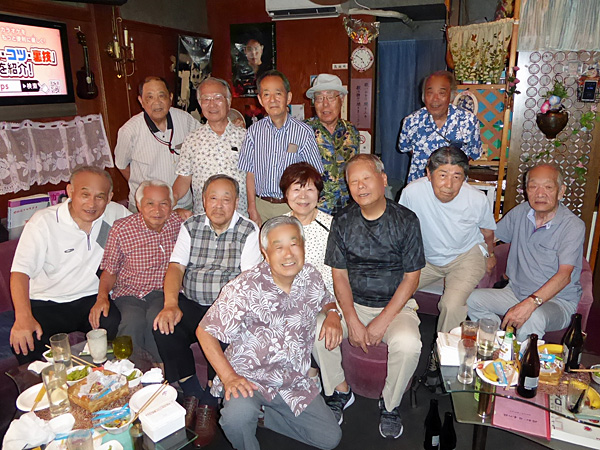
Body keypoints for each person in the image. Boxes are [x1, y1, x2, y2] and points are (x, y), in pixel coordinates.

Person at [197, 216, 343, 450]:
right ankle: (249, 425)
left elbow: (325, 297)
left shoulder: (311, 276)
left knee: (329, 438)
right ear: (265, 252)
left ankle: (264, 417)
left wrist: (333, 313)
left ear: (303, 246)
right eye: (279, 247)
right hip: (248, 377)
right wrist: (229, 377)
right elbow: (205, 332)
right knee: (236, 418)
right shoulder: (245, 287)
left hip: (292, 380)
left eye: (294, 244)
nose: (288, 254)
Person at [313, 154, 425, 438]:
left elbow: (412, 278)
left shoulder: (406, 220)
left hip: (395, 307)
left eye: (366, 178)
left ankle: (390, 404)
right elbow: (339, 275)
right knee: (317, 331)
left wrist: (382, 322)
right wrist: (351, 319)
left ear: (383, 179)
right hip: (352, 303)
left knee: (409, 344)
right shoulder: (343, 221)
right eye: (353, 182)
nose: (360, 186)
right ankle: (339, 391)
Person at [152, 174, 262, 447]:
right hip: (191, 301)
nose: (219, 205)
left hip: (226, 307)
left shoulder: (248, 230)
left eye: (226, 199)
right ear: (203, 200)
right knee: (164, 327)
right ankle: (191, 391)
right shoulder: (190, 226)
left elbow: (248, 281)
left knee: (226, 333)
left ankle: (210, 401)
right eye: (213, 198)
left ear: (236, 202)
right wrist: (171, 304)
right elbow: (176, 267)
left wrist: (223, 313)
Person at [9, 167, 130, 364]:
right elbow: (20, 273)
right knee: (26, 342)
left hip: (92, 298)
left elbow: (149, 224)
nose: (91, 204)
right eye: (85, 195)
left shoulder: (117, 214)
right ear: (70, 191)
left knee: (114, 322)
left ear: (109, 197)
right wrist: (23, 317)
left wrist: (177, 214)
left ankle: (104, 377)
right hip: (47, 301)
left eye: (100, 197)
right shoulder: (43, 222)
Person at [467, 164, 585, 341]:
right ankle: (497, 343)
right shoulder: (521, 212)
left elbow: (564, 276)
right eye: (533, 186)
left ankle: (521, 357)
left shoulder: (572, 226)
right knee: (471, 299)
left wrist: (531, 303)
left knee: (533, 317)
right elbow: (489, 236)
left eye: (548, 187)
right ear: (526, 190)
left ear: (561, 191)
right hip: (515, 293)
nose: (540, 193)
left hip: (557, 301)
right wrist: (488, 254)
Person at [399, 146, 496, 333]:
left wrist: (490, 255)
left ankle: (444, 349)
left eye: (457, 176)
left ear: (465, 177)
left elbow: (487, 232)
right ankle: (402, 335)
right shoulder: (412, 192)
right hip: (425, 258)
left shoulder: (477, 199)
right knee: (393, 287)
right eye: (442, 175)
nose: (449, 185)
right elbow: (402, 228)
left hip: (465, 256)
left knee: (451, 305)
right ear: (429, 174)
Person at [93, 180, 183, 362]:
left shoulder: (179, 224)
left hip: (162, 291)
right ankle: (129, 368)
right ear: (139, 205)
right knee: (131, 321)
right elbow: (110, 270)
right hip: (129, 293)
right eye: (150, 203)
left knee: (157, 319)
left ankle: (159, 369)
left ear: (172, 205)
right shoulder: (122, 228)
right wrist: (101, 297)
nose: (157, 210)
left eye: (163, 203)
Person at [237, 70, 323, 226]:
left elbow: (314, 173)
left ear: (288, 97)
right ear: (260, 100)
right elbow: (249, 173)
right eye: (266, 94)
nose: (272, 100)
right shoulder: (253, 132)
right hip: (261, 206)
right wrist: (252, 208)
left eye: (278, 93)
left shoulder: (303, 132)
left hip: (292, 206)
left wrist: (305, 207)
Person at [115, 76, 200, 213]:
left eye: (162, 96)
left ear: (170, 97)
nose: (157, 102)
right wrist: (145, 188)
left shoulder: (185, 120)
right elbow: (121, 165)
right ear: (141, 101)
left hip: (182, 205)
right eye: (150, 97)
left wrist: (233, 120)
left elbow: (207, 135)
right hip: (146, 208)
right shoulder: (129, 130)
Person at [173, 77, 248, 216]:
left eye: (217, 98)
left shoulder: (245, 137)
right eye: (206, 99)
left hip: (239, 216)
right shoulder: (192, 139)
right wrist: (169, 200)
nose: (212, 104)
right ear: (200, 103)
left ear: (229, 101)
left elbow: (252, 178)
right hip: (204, 217)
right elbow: (184, 178)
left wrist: (254, 210)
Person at [398, 70, 483, 184]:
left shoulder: (468, 121)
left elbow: (474, 153)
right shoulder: (411, 121)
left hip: (454, 187)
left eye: (442, 93)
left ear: (451, 96)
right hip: (420, 184)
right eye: (430, 93)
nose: (435, 99)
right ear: (423, 96)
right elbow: (407, 148)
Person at [305, 74, 360, 215]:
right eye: (319, 98)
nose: (325, 104)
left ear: (341, 99)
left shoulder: (351, 131)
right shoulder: (303, 131)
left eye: (330, 97)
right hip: (315, 208)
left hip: (348, 207)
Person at [280, 162, 333, 293]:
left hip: (323, 296)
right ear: (286, 194)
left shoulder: (332, 226)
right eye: (296, 190)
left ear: (318, 194)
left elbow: (337, 273)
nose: (303, 196)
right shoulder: (277, 227)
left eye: (309, 190)